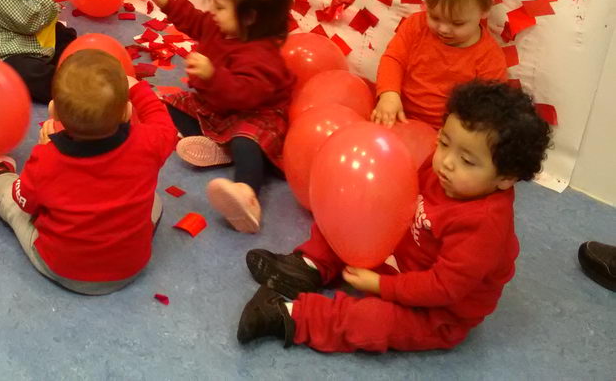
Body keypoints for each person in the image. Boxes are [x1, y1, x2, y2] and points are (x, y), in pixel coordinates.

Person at [237, 80, 553, 353]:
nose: (447, 162)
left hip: (436, 311)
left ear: (505, 178)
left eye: (468, 160)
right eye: (444, 143)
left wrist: (381, 286)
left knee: (373, 321)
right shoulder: (441, 169)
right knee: (353, 214)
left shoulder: (485, 225)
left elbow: (443, 288)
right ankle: (306, 267)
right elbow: (398, 200)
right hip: (401, 252)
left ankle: (287, 315)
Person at [0, 50, 177, 295]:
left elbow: (25, 202)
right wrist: (137, 88)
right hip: (131, 267)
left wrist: (41, 151)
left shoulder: (47, 159)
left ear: (54, 112)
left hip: (62, 268)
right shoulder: (149, 142)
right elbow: (164, 123)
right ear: (127, 113)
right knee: (153, 201)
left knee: (10, 198)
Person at [145, 0, 295, 234]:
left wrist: (213, 76)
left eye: (220, 7)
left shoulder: (262, 55)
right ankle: (218, 146)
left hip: (252, 112)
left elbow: (243, 94)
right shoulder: (218, 26)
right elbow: (196, 21)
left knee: (247, 142)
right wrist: (168, 4)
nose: (212, 12)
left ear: (250, 17)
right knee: (171, 104)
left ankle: (246, 194)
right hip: (216, 105)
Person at [372, 0, 507, 128]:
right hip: (398, 116)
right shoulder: (415, 26)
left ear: (484, 11)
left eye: (457, 23)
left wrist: (453, 138)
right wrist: (389, 94)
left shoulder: (489, 57)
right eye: (434, 17)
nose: (443, 29)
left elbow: (489, 108)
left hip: (447, 136)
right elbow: (393, 59)